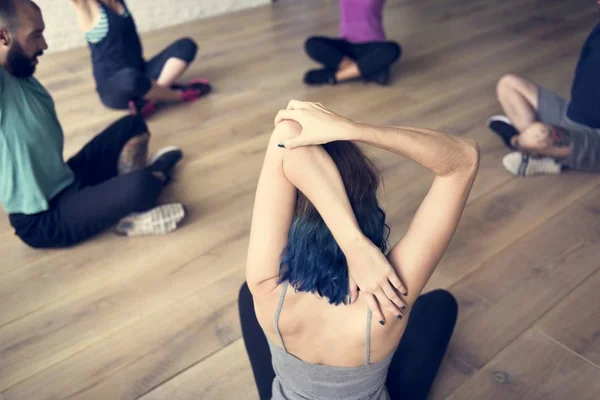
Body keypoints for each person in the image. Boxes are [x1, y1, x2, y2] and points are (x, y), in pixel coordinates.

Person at [239, 100, 479, 399]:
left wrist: (350, 241)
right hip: (369, 343)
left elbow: (287, 133)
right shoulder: (383, 307)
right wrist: (355, 129)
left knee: (245, 294)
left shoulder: (265, 285)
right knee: (441, 304)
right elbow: (463, 158)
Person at [1, 0, 187, 249]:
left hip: (67, 179)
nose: (44, 44)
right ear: (3, 36)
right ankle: (140, 197)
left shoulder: (19, 75)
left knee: (133, 125)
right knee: (141, 185)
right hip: (43, 218)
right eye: (36, 36)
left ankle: (128, 188)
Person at [488, 21, 600, 177]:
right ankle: (546, 151)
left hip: (595, 138)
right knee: (508, 84)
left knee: (536, 136)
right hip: (571, 113)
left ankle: (519, 142)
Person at [70, 0, 212, 118]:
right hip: (114, 87)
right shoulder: (87, 6)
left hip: (141, 71)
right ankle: (178, 96)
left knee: (186, 46)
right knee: (130, 78)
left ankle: (151, 98)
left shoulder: (118, 2)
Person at [303, 0, 401, 86]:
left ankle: (333, 76)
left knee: (392, 49)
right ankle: (368, 71)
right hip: (346, 45)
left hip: (372, 47)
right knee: (312, 44)